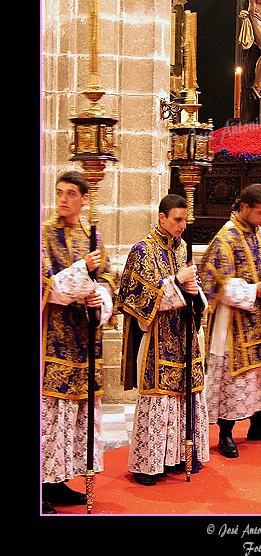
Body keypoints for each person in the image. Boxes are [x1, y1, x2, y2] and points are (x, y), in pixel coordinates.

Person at [199, 183, 261, 459]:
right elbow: (217, 285)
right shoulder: (225, 239)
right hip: (234, 323)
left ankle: (257, 424)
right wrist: (254, 291)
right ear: (244, 207)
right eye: (260, 213)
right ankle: (226, 433)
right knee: (234, 379)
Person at [117, 194, 209, 485]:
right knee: (159, 399)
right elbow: (135, 299)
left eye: (185, 220)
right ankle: (148, 464)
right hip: (156, 339)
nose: (182, 226)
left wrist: (195, 294)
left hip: (183, 336)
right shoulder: (142, 251)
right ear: (162, 218)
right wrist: (176, 283)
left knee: (184, 398)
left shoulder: (182, 249)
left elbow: (191, 289)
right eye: (177, 220)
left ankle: (178, 456)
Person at [42, 171, 114, 514]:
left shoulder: (94, 239)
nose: (63, 198)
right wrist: (82, 271)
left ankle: (58, 480)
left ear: (84, 199)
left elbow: (109, 284)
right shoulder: (44, 235)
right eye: (59, 192)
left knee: (75, 419)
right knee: (50, 417)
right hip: (53, 342)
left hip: (86, 344)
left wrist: (100, 297)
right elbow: (47, 287)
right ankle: (41, 483)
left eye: (71, 193)